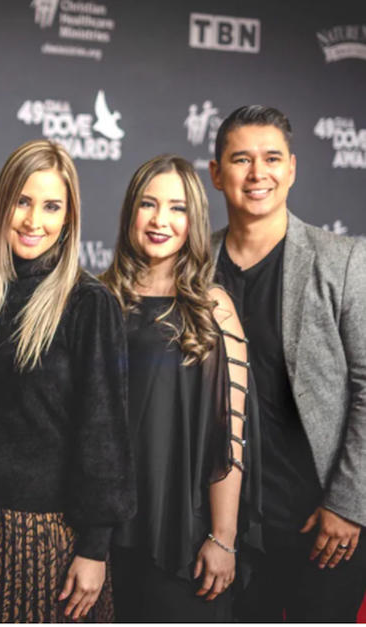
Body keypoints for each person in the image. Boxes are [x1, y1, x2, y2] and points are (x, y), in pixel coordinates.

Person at [0, 139, 135, 622]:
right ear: (0, 202)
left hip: (50, 538)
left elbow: (105, 434)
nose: (34, 221)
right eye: (23, 202)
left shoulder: (89, 303)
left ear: (70, 216)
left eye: (52, 206)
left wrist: (95, 548)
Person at [209, 105, 366, 621]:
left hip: (320, 526)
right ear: (215, 173)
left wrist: (348, 503)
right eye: (241, 159)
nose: (258, 174)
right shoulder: (191, 265)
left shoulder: (342, 261)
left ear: (292, 168)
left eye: (272, 158)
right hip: (220, 529)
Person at [100, 154, 262, 621]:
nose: (160, 220)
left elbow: (231, 435)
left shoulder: (214, 308)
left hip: (185, 533)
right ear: (131, 212)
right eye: (148, 205)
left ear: (194, 220)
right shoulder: (100, 300)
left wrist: (223, 537)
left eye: (176, 208)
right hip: (105, 533)